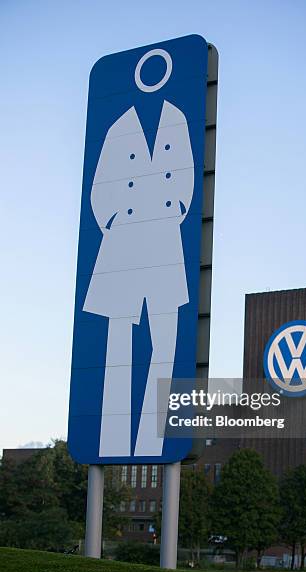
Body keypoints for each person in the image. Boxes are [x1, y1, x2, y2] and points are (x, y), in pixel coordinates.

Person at [83, 51, 194, 457]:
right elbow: (101, 187)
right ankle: (110, 441)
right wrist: (116, 222)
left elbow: (186, 180)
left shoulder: (179, 119)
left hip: (166, 242)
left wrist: (172, 213)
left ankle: (154, 438)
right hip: (124, 242)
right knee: (117, 343)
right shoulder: (118, 127)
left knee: (166, 340)